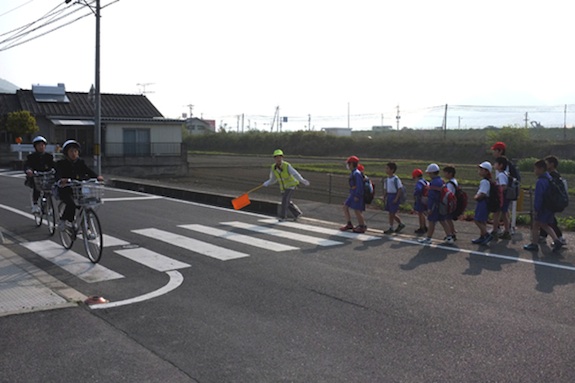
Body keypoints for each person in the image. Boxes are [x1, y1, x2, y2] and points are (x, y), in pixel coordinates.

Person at [55, 140, 103, 228]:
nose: (73, 153)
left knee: (87, 203)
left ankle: (86, 226)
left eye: (75, 151)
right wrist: (61, 180)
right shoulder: (61, 164)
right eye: (71, 151)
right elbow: (57, 174)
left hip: (78, 188)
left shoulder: (80, 162)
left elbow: (88, 171)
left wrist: (97, 177)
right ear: (66, 153)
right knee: (71, 204)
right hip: (65, 189)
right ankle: (63, 220)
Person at [524, 160, 563, 252]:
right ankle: (557, 241)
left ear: (541, 169)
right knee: (544, 225)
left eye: (535, 169)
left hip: (542, 208)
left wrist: (536, 209)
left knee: (536, 224)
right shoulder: (549, 178)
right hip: (549, 206)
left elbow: (539, 197)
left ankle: (534, 244)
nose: (534, 171)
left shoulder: (541, 181)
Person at [262, 149, 310, 221]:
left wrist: (302, 180)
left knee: (284, 200)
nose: (278, 159)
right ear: (274, 158)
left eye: (280, 157)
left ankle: (283, 217)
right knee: (287, 201)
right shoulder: (273, 167)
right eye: (277, 157)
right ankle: (297, 213)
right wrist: (267, 182)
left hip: (291, 185)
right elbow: (273, 179)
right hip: (283, 188)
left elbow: (295, 174)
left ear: (282, 157)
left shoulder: (287, 166)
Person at [418, 163, 453, 245]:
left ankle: (428, 238)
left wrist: (429, 208)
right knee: (443, 221)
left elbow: (432, 197)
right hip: (442, 205)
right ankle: (449, 236)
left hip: (435, 206)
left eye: (429, 173)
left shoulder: (434, 183)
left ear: (432, 173)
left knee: (431, 222)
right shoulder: (441, 181)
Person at [24, 136, 55, 213]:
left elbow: (54, 165)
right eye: (39, 145)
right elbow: (27, 165)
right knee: (37, 188)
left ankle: (48, 205)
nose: (41, 147)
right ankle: (35, 204)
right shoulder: (31, 157)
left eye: (42, 145)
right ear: (35, 147)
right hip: (36, 176)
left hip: (47, 176)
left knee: (49, 189)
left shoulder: (49, 156)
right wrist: (29, 170)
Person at [539, 155, 565, 244]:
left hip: (551, 201)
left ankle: (559, 237)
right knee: (547, 220)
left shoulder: (553, 176)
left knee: (550, 220)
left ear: (552, 164)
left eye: (547, 163)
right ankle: (542, 236)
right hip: (552, 201)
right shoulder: (555, 175)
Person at [340, 156, 367, 233]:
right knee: (345, 207)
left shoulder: (356, 173)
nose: (347, 165)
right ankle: (349, 224)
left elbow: (359, 186)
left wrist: (357, 195)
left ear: (351, 164)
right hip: (353, 193)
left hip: (356, 194)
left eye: (348, 163)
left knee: (357, 210)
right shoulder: (354, 173)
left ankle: (362, 226)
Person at [472, 161, 494, 245]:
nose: (479, 171)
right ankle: (482, 237)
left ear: (486, 171)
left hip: (482, 202)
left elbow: (483, 193)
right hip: (487, 202)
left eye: (481, 169)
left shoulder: (484, 182)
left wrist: (476, 197)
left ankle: (486, 234)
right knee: (483, 220)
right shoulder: (489, 181)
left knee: (477, 220)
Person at [491, 156, 512, 240]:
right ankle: (507, 231)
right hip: (506, 197)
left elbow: (503, 186)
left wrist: (497, 192)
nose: (494, 165)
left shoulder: (501, 175)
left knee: (496, 214)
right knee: (504, 214)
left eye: (496, 163)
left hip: (502, 197)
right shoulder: (506, 174)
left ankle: (495, 231)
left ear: (500, 165)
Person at [382, 162, 405, 234]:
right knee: (391, 213)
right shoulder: (386, 179)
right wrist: (384, 197)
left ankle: (391, 227)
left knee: (392, 213)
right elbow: (386, 189)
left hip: (394, 196)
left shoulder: (396, 179)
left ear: (392, 170)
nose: (386, 170)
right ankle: (400, 224)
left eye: (387, 168)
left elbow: (399, 189)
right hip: (389, 196)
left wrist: (396, 198)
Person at [443, 165, 459, 241]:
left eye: (445, 173)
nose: (444, 175)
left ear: (450, 173)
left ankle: (451, 233)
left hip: (449, 203)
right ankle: (452, 232)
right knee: (448, 219)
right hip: (453, 202)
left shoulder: (450, 184)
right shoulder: (454, 181)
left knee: (447, 219)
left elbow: (448, 194)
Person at [412, 169, 428, 235]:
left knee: (420, 213)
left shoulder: (419, 183)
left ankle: (422, 227)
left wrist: (415, 194)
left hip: (420, 199)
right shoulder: (424, 181)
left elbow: (418, 190)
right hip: (425, 199)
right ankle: (424, 226)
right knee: (423, 213)